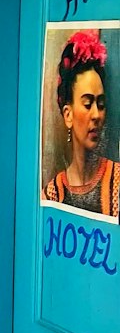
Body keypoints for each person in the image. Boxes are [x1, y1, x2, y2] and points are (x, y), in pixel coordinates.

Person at [44, 29, 120, 217]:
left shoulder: (117, 182)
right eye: (87, 104)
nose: (96, 114)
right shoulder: (52, 194)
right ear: (68, 115)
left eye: (100, 104)